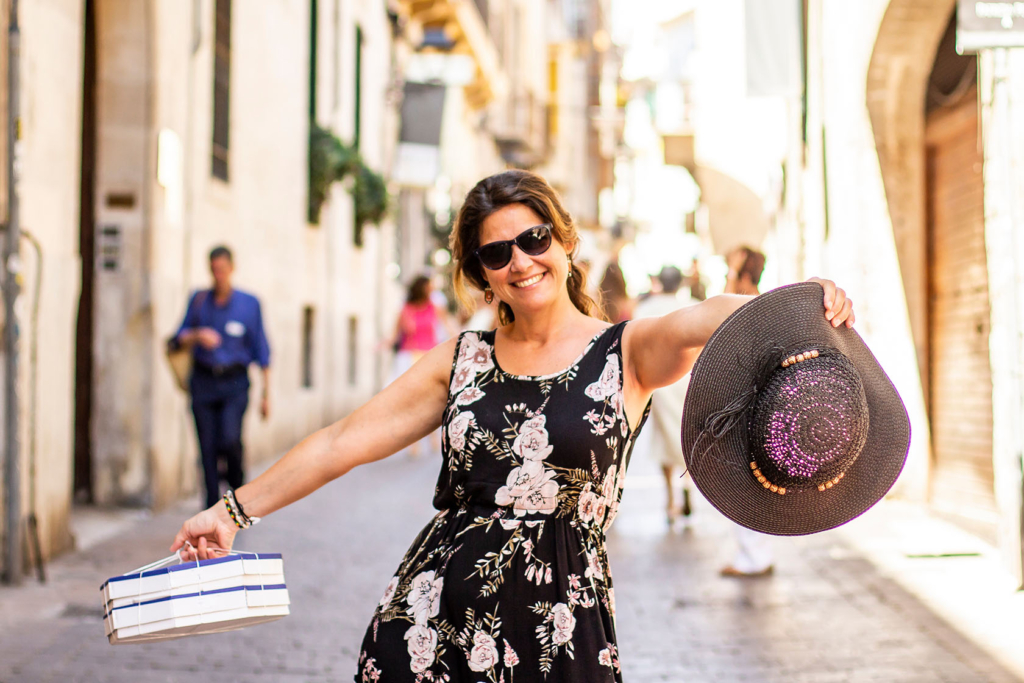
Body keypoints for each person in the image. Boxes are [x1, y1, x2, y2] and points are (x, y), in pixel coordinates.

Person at [170, 171, 854, 681]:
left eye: (534, 239)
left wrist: (796, 301)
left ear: (563, 241)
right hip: (432, 623)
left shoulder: (628, 350)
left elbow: (714, 316)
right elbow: (341, 441)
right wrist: (232, 510)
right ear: (481, 276)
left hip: (561, 631)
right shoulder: (460, 362)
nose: (521, 261)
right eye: (498, 254)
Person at [172, 245, 271, 509]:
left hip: (235, 383)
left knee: (229, 439)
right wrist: (197, 335)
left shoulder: (249, 304)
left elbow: (262, 350)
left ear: (231, 268)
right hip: (203, 381)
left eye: (222, 270)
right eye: (214, 270)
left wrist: (266, 395)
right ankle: (211, 508)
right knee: (207, 448)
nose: (218, 275)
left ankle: (238, 494)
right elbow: (176, 339)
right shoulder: (199, 300)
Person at [718, 245, 776, 578]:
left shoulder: (740, 306)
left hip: (748, 408)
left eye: (730, 268)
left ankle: (753, 557)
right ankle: (754, 555)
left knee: (745, 483)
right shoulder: (764, 304)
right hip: (755, 406)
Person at [632, 266, 699, 527]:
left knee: (664, 438)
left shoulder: (645, 309)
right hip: (687, 381)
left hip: (659, 384)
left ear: (659, 281)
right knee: (688, 436)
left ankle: (671, 497)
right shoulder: (693, 305)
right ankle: (688, 489)